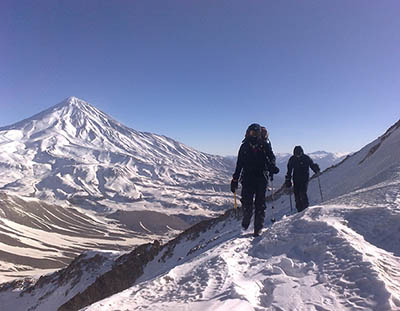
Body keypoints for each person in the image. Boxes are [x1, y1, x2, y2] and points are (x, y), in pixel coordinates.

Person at [230, 123, 279, 237]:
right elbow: (239, 164)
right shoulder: (244, 147)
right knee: (247, 203)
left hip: (261, 177)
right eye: (251, 133)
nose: (253, 135)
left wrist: (272, 166)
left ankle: (258, 228)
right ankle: (246, 220)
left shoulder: (264, 145)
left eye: (255, 133)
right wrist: (234, 180)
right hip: (247, 178)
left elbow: (271, 157)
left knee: (260, 204)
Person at [285, 146, 320, 212]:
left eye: (299, 154)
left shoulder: (306, 158)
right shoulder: (292, 159)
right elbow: (289, 170)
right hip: (296, 179)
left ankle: (305, 209)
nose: (297, 156)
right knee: (297, 194)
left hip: (304, 178)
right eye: (296, 154)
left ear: (301, 153)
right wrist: (288, 179)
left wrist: (315, 169)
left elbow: (311, 165)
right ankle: (299, 210)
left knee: (302, 192)